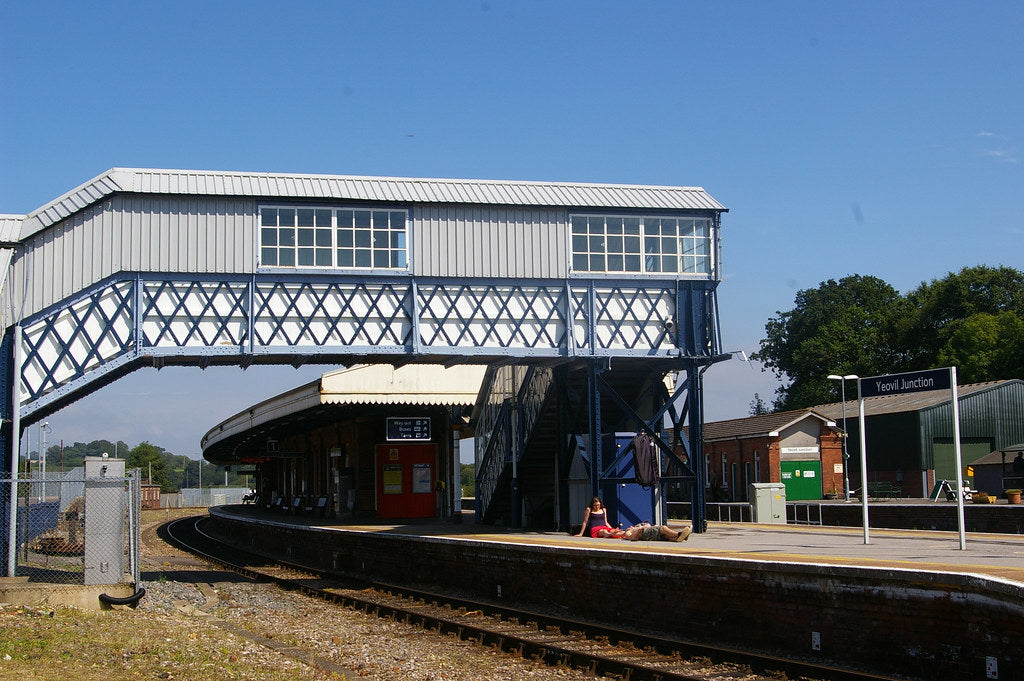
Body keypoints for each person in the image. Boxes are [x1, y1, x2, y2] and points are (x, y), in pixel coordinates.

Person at [620, 521, 691, 542]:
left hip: (648, 532)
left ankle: (679, 538)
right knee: (663, 528)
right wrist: (640, 529)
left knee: (665, 535)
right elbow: (630, 537)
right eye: (629, 527)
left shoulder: (635, 527)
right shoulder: (629, 531)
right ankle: (679, 534)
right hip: (644, 532)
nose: (630, 526)